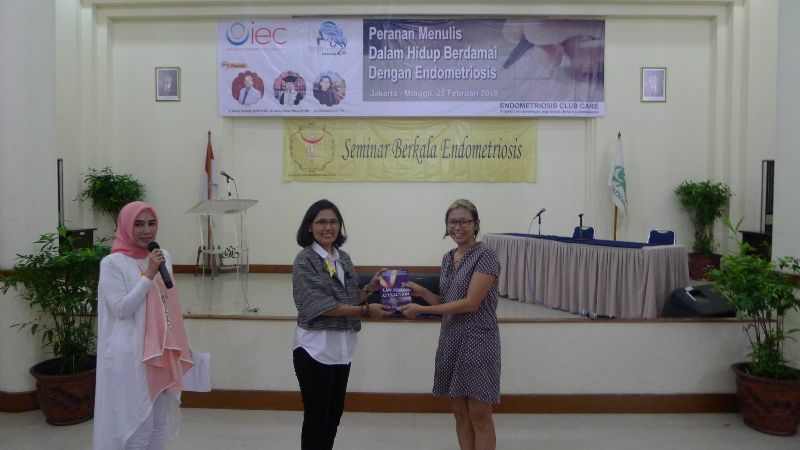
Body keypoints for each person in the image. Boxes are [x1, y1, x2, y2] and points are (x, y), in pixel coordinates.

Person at [398, 199, 501, 450]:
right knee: (459, 412)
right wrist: (422, 292)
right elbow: (447, 303)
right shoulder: (447, 258)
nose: (458, 227)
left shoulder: (486, 255)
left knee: (479, 414)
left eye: (464, 221)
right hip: (451, 341)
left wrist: (423, 310)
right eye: (453, 222)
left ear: (476, 224)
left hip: (478, 341)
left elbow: (470, 303)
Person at [93, 201, 193, 450]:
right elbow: (122, 309)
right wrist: (149, 273)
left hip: (160, 352)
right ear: (126, 227)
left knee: (158, 424)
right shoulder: (112, 263)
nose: (147, 230)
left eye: (151, 223)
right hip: (130, 355)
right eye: (139, 224)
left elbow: (168, 304)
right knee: (138, 426)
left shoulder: (162, 256)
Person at [292, 199, 389, 450]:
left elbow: (348, 300)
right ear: (310, 227)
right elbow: (321, 306)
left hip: (342, 350)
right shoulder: (305, 260)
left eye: (334, 222)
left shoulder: (342, 258)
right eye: (321, 222)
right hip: (315, 350)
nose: (328, 227)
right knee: (317, 418)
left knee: (334, 415)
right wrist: (366, 310)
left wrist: (369, 289)